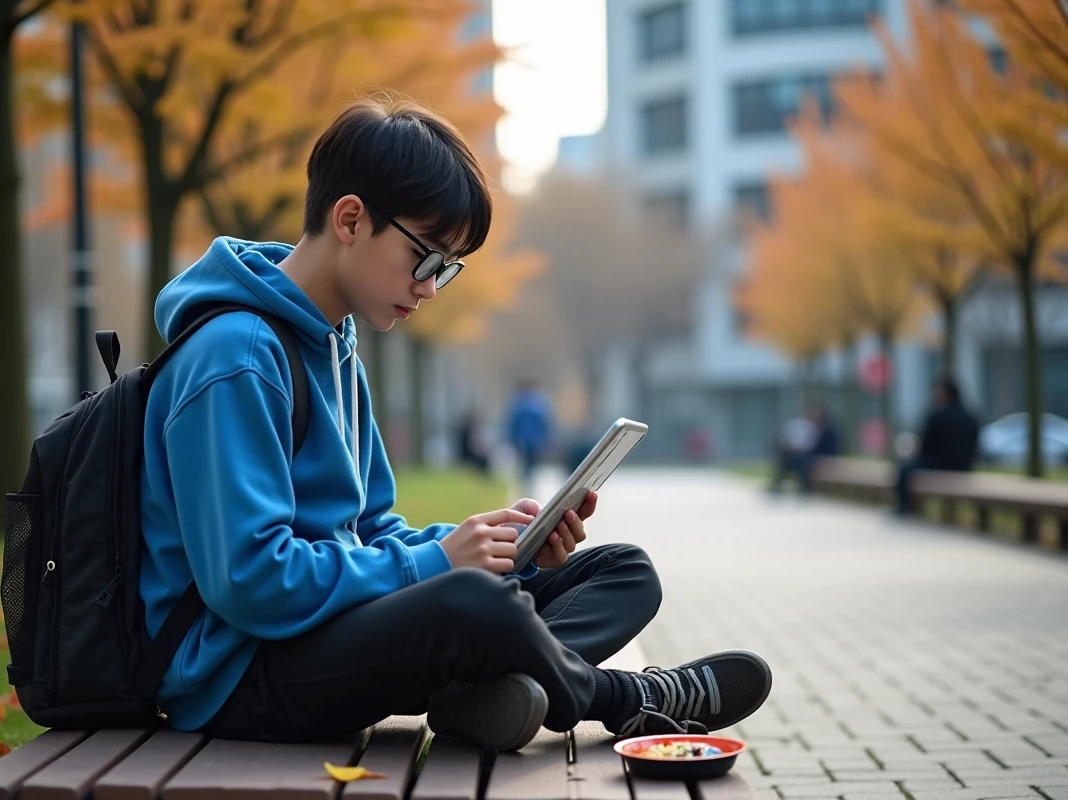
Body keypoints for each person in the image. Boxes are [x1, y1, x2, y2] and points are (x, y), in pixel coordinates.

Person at [139, 94, 772, 754]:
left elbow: (371, 530)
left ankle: (483, 694)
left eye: (447, 267)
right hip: (242, 678)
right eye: (426, 258)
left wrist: (496, 542)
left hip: (326, 637)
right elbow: (250, 581)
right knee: (474, 604)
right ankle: (627, 699)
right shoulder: (236, 356)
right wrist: (437, 565)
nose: (431, 287)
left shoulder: (333, 346)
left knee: (621, 570)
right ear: (351, 219)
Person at [895, 377, 980, 514]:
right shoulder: (971, 416)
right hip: (964, 466)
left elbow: (926, 447)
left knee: (905, 469)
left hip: (939, 465)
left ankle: (905, 506)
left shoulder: (937, 416)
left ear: (945, 393)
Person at [769, 404, 838, 494]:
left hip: (823, 458)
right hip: (815, 456)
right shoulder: (816, 428)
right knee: (791, 458)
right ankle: (788, 483)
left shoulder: (827, 431)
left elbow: (820, 448)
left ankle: (786, 483)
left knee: (798, 461)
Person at [506, 377, 555, 496]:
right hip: (535, 442)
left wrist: (512, 440)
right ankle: (530, 489)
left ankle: (526, 489)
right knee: (532, 467)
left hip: (521, 441)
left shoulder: (518, 404)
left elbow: (512, 424)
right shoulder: (540, 405)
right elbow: (546, 425)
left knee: (524, 467)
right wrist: (547, 441)